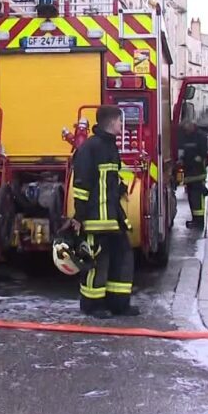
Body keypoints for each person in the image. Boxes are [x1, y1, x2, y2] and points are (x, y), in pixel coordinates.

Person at [71, 105, 138, 319]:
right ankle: (92, 305)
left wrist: (120, 187)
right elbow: (81, 185)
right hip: (95, 220)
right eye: (120, 121)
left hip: (112, 218)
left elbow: (110, 177)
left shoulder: (110, 146)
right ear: (111, 122)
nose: (122, 125)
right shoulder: (90, 148)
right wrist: (79, 217)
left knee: (122, 258)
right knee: (97, 264)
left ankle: (119, 304)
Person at [178, 121, 208, 230]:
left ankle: (199, 221)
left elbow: (204, 153)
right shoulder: (185, 136)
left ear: (192, 126)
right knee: (192, 198)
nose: (186, 130)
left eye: (187, 128)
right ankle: (195, 219)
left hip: (197, 172)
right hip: (189, 172)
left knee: (197, 198)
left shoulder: (200, 137)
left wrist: (198, 158)